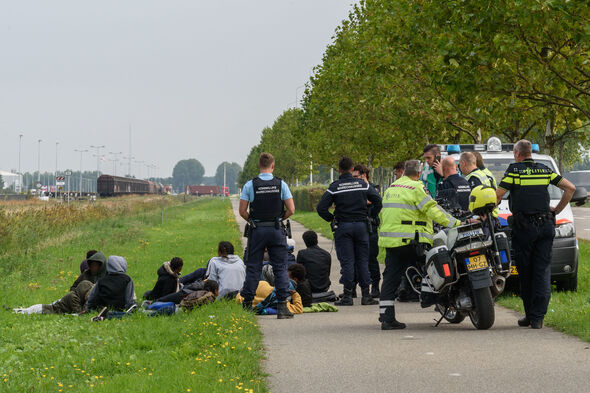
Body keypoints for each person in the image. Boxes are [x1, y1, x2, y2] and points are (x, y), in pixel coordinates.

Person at [496, 140, 575, 329]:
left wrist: (488, 210)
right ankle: (538, 318)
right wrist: (556, 210)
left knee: (526, 271)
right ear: (530, 153)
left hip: (524, 228)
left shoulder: (514, 171)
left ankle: (530, 315)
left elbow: (498, 195)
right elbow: (570, 188)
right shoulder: (544, 170)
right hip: (545, 225)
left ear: (517, 153)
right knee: (542, 270)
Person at [378, 160, 461, 330]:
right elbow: (432, 209)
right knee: (431, 265)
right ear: (418, 173)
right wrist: (456, 223)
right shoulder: (416, 187)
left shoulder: (391, 188)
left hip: (391, 241)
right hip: (411, 240)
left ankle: (386, 318)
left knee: (390, 278)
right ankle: (428, 298)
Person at [316, 156, 382, 306]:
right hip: (361, 226)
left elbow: (321, 208)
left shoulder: (335, 187)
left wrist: (332, 219)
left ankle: (347, 296)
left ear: (339, 170)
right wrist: (370, 214)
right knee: (363, 260)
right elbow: (378, 200)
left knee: (347, 262)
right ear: (352, 169)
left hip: (343, 227)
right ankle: (366, 295)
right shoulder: (362, 184)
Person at [239, 152, 296, 319]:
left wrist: (253, 221)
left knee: (253, 267)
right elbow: (291, 209)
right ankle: (282, 307)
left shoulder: (250, 185)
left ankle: (247, 304)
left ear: (259, 166)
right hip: (276, 229)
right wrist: (279, 219)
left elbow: (242, 210)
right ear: (273, 166)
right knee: (280, 267)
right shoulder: (281, 184)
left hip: (257, 230)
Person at [353, 164, 381, 298]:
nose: (354, 179)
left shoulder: (373, 187)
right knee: (353, 259)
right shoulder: (354, 188)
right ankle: (352, 288)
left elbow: (374, 202)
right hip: (358, 225)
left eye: (356, 176)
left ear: (364, 175)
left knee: (371, 258)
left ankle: (375, 286)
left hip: (371, 227)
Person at [13, 280, 94, 315]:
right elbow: (78, 312)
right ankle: (16, 311)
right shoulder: (73, 297)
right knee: (26, 312)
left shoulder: (77, 297)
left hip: (47, 308)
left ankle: (18, 310)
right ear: (83, 291)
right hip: (45, 309)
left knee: (26, 311)